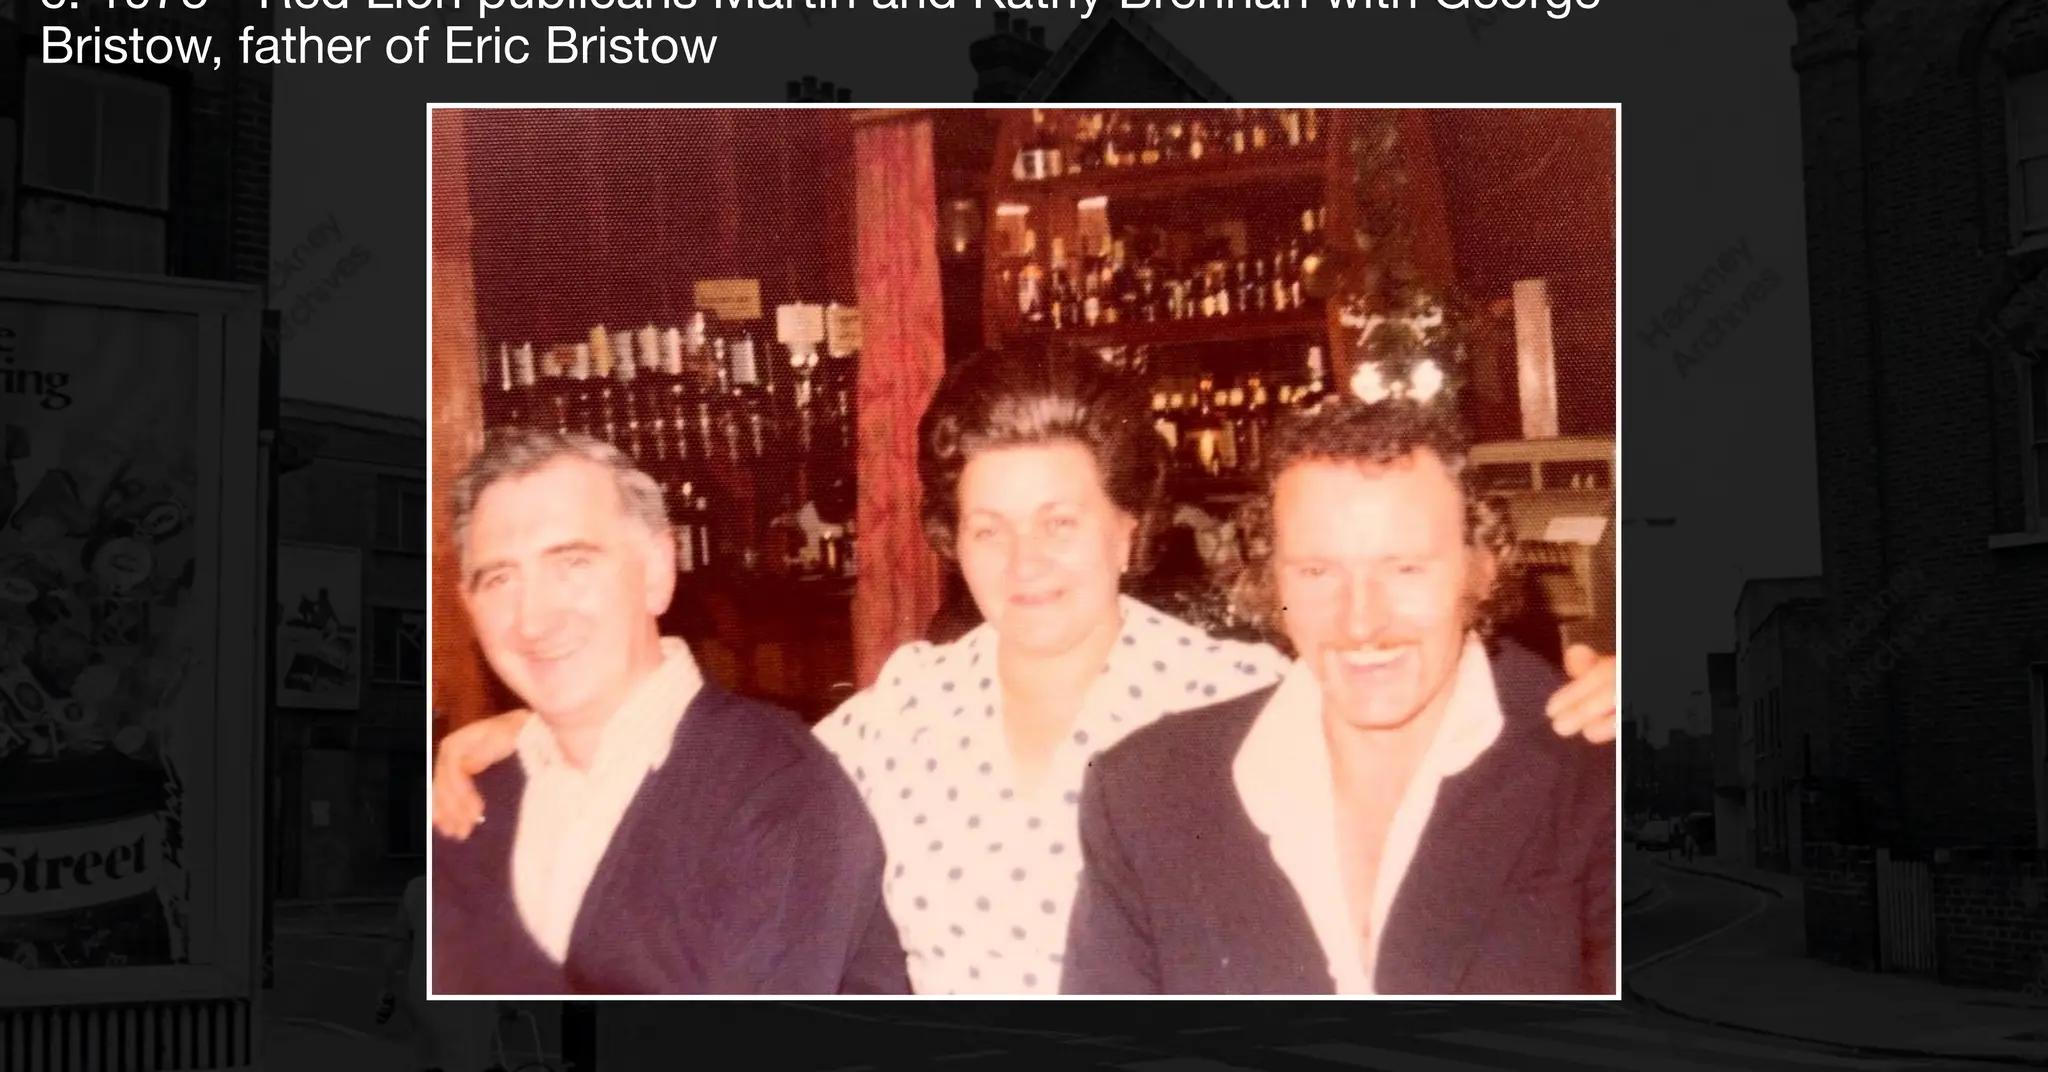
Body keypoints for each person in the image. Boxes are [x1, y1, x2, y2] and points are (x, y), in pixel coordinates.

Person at [432, 344, 1618, 994]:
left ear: (1128, 528)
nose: (1025, 562)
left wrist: (1583, 689)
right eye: (987, 528)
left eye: (1061, 521)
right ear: (950, 544)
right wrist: (546, 733)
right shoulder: (899, 712)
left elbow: (1414, 692)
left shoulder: (1235, 700)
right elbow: (712, 766)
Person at [1060, 397, 1615, 995]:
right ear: (1269, 579)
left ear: (1482, 569)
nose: (1361, 622)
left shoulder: (1599, 775)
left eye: (1405, 568)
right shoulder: (1146, 794)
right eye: (1317, 572)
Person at [430, 429, 908, 994]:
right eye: (500, 579)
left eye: (573, 563)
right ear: (467, 605)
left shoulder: (778, 793)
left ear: (657, 571)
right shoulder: (466, 801)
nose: (534, 619)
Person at [380, 873, 498, 1071]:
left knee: (429, 1060)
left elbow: (397, 942)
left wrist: (386, 987)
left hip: (422, 993)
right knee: (469, 1060)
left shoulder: (416, 888)